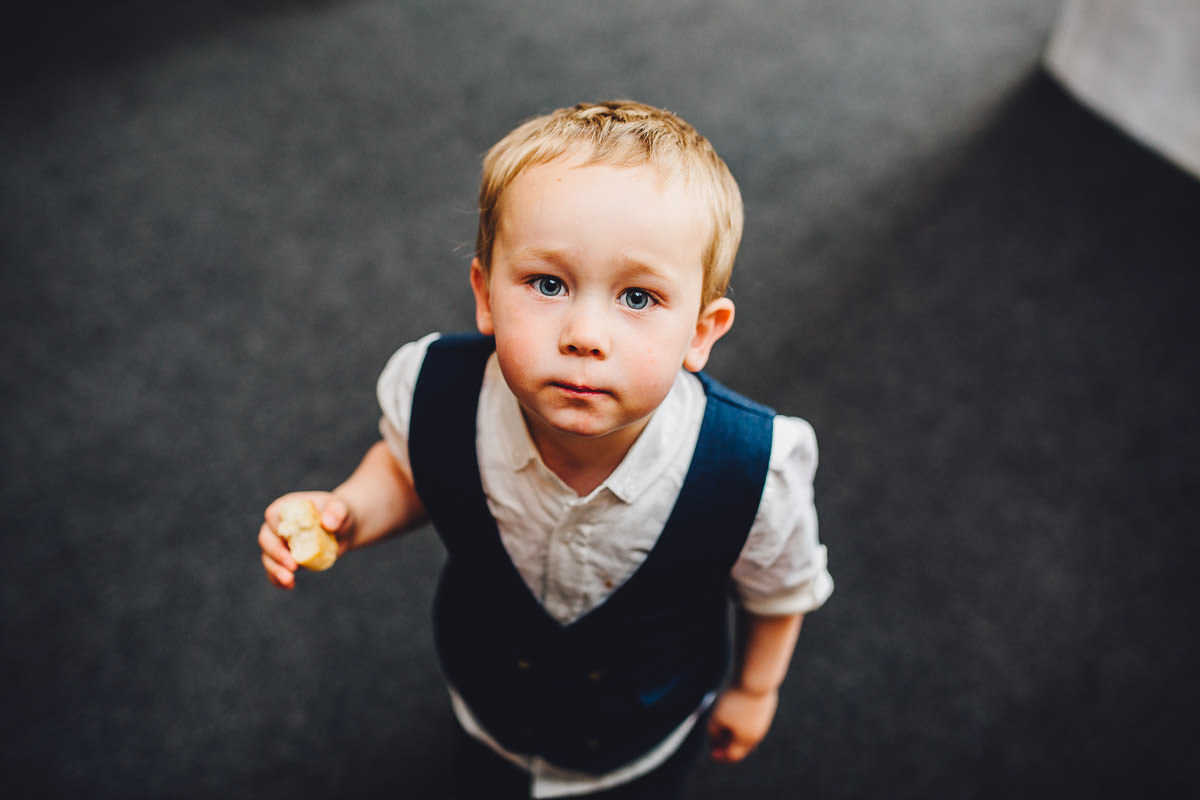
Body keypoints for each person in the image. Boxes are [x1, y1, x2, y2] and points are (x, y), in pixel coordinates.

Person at [258, 100, 833, 799]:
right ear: (486, 295)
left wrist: (755, 688)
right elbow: (413, 472)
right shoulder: (434, 388)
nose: (585, 332)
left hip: (638, 745)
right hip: (487, 705)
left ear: (701, 332)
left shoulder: (751, 468)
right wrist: (346, 511)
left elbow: (780, 590)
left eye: (639, 298)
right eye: (548, 284)